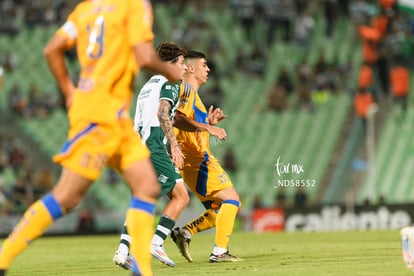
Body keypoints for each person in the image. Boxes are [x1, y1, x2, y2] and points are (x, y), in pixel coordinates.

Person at [0, 1, 182, 276]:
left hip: (112, 115)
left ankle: (142, 270)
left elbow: (52, 49)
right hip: (100, 116)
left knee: (146, 186)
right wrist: (170, 72)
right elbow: (144, 57)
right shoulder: (134, 5)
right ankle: (3, 258)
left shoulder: (86, 8)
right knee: (66, 197)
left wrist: (69, 91)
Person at [112, 42, 189, 269]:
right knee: (181, 196)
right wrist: (174, 146)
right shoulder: (170, 83)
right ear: (170, 64)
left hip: (137, 147)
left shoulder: (148, 85)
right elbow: (162, 112)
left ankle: (123, 250)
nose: (184, 69)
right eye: (182, 63)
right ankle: (156, 242)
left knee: (144, 199)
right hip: (153, 147)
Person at [171, 50, 242, 263]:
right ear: (190, 68)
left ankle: (185, 233)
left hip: (194, 159)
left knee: (220, 207)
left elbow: (189, 124)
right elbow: (176, 118)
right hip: (196, 159)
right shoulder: (186, 90)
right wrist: (208, 128)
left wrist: (207, 124)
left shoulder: (194, 96)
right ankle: (219, 252)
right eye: (204, 65)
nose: (208, 69)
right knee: (232, 199)